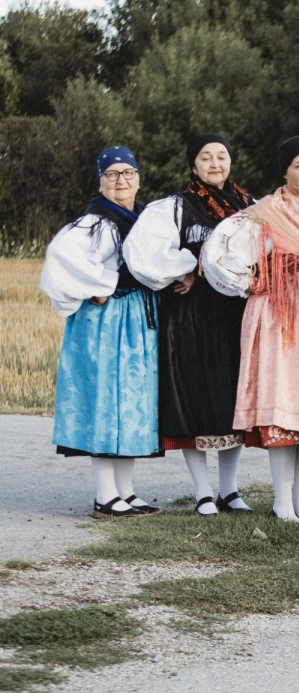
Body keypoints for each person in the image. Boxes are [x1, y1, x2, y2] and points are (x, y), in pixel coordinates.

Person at [202, 136, 299, 522]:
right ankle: (282, 502)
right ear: (285, 170)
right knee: (287, 404)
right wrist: (251, 281)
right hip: (280, 314)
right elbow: (223, 253)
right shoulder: (264, 210)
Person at [124, 134, 255, 517]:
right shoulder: (174, 208)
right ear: (193, 164)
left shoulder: (251, 206)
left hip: (236, 314)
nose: (215, 163)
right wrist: (189, 267)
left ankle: (229, 490)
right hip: (191, 315)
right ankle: (201, 491)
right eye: (206, 157)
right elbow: (144, 254)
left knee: (233, 401)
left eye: (222, 156)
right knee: (194, 398)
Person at [41, 146, 161, 517]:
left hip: (138, 321)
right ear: (101, 181)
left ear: (138, 178)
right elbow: (58, 259)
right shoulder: (93, 224)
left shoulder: (144, 220)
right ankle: (105, 495)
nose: (121, 181)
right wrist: (97, 285)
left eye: (127, 173)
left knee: (133, 403)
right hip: (107, 322)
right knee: (107, 402)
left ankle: (125, 491)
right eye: (112, 175)